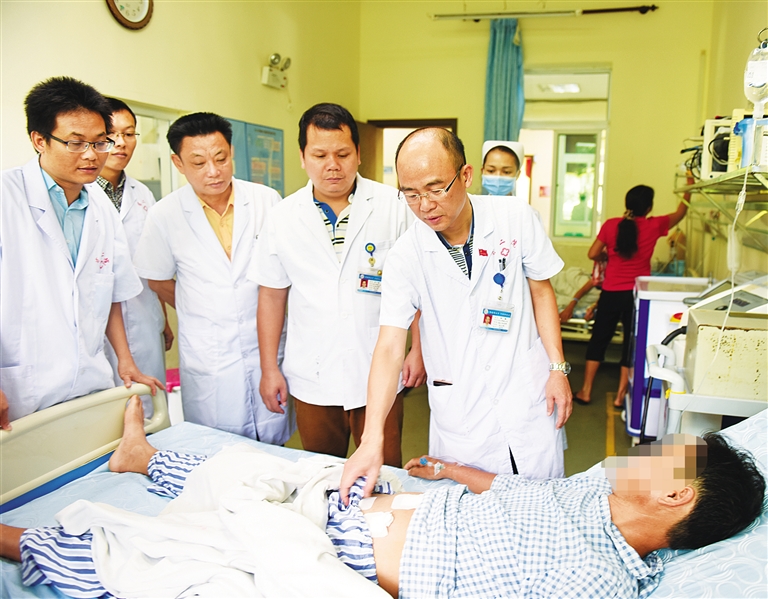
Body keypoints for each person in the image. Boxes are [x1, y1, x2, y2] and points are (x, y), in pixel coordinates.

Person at [1, 396, 763, 599]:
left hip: (349, 565)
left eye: (665, 453)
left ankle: (20, 540)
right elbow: (521, 488)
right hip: (379, 506)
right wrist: (454, 469)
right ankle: (141, 458)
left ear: (674, 492)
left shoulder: (597, 581)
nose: (644, 448)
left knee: (181, 561)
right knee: (242, 469)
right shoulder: (594, 494)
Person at [341, 127, 572, 498]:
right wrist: (371, 439)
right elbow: (388, 347)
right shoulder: (405, 256)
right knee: (470, 512)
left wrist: (557, 368)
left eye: (436, 189)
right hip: (462, 409)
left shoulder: (515, 217)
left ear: (465, 175)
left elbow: (542, 292)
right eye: (411, 194)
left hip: (526, 392)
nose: (425, 205)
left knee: (543, 503)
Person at [250, 103, 424, 466]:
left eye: (343, 154)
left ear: (358, 154)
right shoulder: (282, 217)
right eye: (320, 155)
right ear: (302, 157)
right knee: (320, 474)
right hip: (313, 373)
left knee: (385, 472)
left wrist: (418, 350)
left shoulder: (394, 206)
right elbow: (271, 296)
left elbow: (420, 286)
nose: (333, 165)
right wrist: (269, 368)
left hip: (378, 366)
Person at [0, 77, 162, 429]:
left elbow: (111, 290)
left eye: (100, 142)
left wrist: (125, 360)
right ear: (39, 140)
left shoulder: (101, 207)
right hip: (20, 388)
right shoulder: (5, 197)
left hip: (90, 380)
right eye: (75, 143)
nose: (91, 155)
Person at [132, 112, 291, 443]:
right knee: (215, 447)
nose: (213, 171)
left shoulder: (266, 201)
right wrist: (200, 305)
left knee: (275, 445)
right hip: (210, 352)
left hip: (266, 344)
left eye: (220, 158)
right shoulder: (164, 215)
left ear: (231, 152)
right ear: (178, 163)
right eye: (199, 162)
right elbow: (157, 279)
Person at [573, 185, 688, 408]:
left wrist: (607, 255)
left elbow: (592, 253)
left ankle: (586, 391)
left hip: (610, 293)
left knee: (599, 340)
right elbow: (681, 212)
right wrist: (689, 185)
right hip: (636, 295)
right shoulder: (655, 225)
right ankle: (620, 396)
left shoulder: (611, 225)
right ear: (649, 207)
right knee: (629, 344)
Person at [96, 97, 172, 415]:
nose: (121, 143)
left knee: (151, 411)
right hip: (97, 325)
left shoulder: (143, 194)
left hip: (144, 315)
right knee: (106, 419)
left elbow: (152, 263)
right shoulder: (80, 192)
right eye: (111, 135)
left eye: (129, 134)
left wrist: (162, 319)